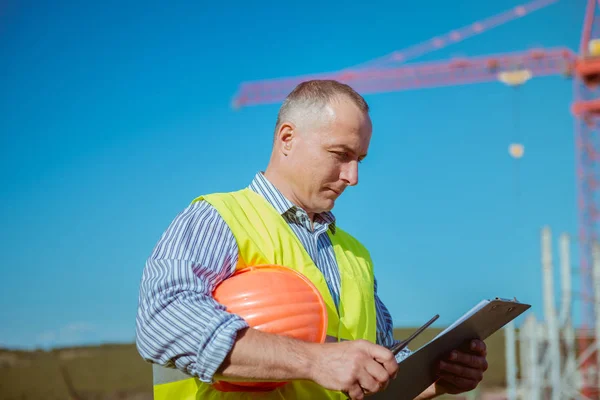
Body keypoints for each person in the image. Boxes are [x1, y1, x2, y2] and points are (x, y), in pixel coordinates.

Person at [135, 80, 488, 400]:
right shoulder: (219, 217)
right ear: (287, 138)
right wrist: (313, 361)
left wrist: (435, 377)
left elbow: (371, 370)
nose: (353, 177)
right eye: (340, 155)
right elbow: (163, 321)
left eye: (360, 159)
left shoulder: (355, 255)